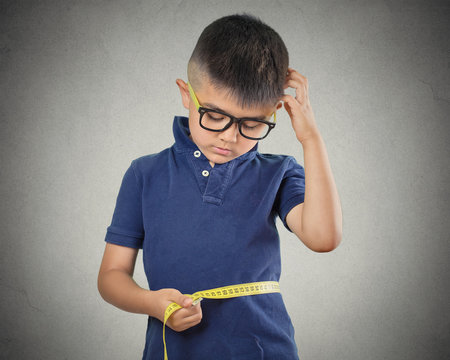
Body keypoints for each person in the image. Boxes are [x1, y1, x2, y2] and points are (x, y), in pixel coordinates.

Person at [97, 13, 342, 360]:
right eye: (214, 116)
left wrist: (310, 138)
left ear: (275, 112)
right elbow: (111, 275)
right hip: (173, 351)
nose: (229, 137)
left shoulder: (280, 173)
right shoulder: (144, 174)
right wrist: (151, 303)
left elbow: (324, 238)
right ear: (187, 94)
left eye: (253, 124)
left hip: (265, 351)